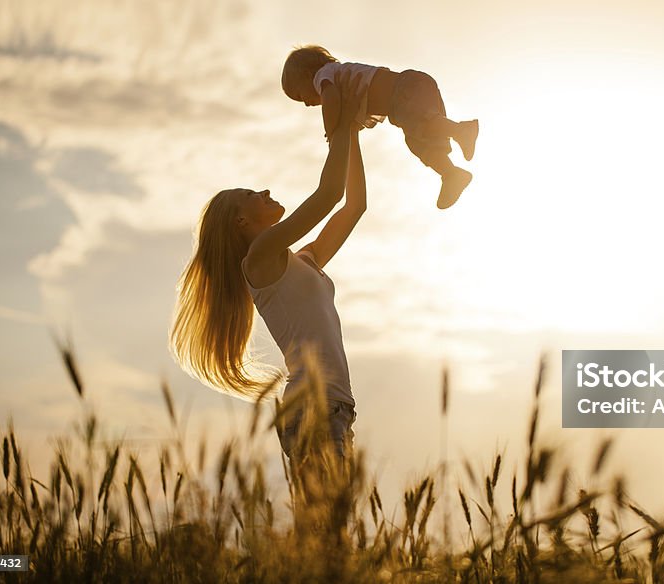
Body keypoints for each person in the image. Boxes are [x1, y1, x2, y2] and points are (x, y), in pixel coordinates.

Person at [170, 76, 367, 461]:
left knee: (330, 522)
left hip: (335, 408)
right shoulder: (258, 259)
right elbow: (329, 195)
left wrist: (353, 129)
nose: (262, 192)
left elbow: (354, 206)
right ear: (241, 222)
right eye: (250, 196)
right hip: (315, 408)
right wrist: (337, 124)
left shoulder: (302, 261)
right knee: (327, 521)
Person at [281, 45, 478, 210]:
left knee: (423, 126)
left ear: (307, 75)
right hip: (410, 92)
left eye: (300, 96)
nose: (306, 104)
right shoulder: (342, 79)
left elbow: (330, 99)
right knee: (419, 141)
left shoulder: (324, 76)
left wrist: (331, 131)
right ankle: (451, 174)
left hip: (405, 90)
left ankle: (461, 131)